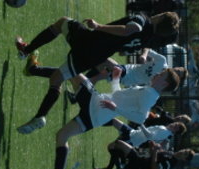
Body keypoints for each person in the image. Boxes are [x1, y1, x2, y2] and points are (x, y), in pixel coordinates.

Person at [15, 12, 180, 134]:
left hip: (90, 42)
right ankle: (40, 117)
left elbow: (131, 29)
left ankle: (25, 51)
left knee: (62, 23)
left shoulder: (143, 20)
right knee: (58, 78)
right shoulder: (147, 39)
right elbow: (124, 49)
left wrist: (99, 26)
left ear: (161, 17)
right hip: (95, 56)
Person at [36, 66, 181, 169]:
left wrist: (116, 108)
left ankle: (33, 70)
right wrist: (116, 79)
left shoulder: (150, 95)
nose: (157, 74)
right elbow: (117, 96)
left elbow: (140, 118)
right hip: (97, 116)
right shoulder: (148, 91)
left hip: (96, 105)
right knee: (62, 136)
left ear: (164, 84)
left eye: (161, 75)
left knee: (70, 71)